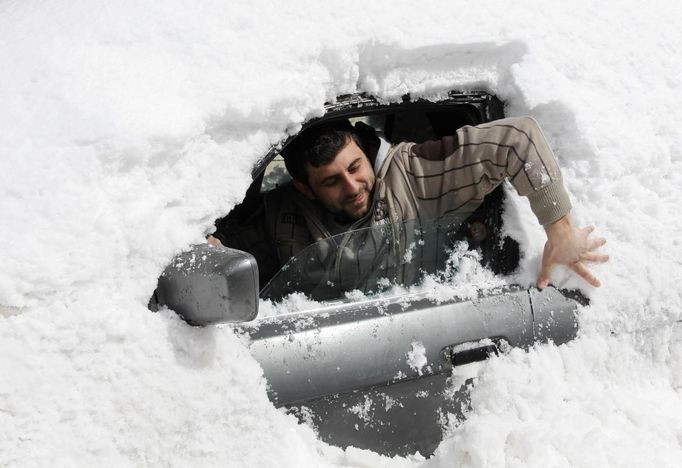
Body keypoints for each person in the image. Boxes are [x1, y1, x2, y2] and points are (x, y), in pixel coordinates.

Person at [210, 116, 608, 290]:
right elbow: (218, 247)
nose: (352, 186)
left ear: (365, 152)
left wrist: (561, 229)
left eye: (355, 167)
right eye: (332, 181)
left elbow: (517, 139)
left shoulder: (413, 175)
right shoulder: (280, 214)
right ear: (305, 188)